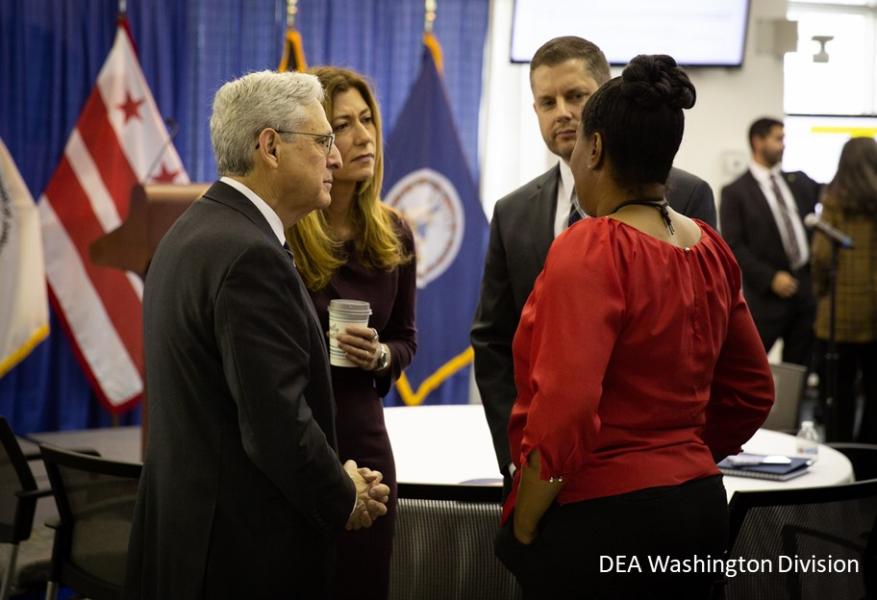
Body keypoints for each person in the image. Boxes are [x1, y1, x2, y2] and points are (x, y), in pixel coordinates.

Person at [493, 55, 775, 599]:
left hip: (603, 516)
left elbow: (565, 411)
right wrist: (681, 454)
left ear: (595, 148)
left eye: (579, 145)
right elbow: (753, 391)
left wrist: (525, 522)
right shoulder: (710, 249)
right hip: (698, 509)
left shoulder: (591, 246)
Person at [125, 71, 391, 600]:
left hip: (188, 543)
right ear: (269, 146)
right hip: (238, 558)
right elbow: (276, 426)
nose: (336, 158)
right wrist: (345, 495)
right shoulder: (250, 256)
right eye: (323, 141)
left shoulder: (193, 230)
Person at [471, 36, 717, 494]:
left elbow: (707, 337)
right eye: (547, 101)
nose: (561, 111)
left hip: (651, 471)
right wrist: (519, 459)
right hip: (539, 465)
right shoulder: (513, 210)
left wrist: (697, 450)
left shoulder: (684, 197)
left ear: (606, 97)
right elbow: (492, 340)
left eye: (576, 96)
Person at [286, 66, 416, 600]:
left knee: (363, 581)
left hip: (365, 435)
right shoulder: (286, 232)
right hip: (299, 434)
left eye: (368, 120)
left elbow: (407, 337)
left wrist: (381, 356)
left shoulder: (393, 231)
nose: (364, 136)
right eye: (343, 125)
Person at [720, 117, 821, 367]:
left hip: (805, 293)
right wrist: (770, 277)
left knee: (798, 369)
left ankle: (790, 409)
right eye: (778, 139)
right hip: (767, 298)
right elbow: (733, 245)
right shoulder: (735, 192)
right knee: (749, 366)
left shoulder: (797, 182)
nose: (783, 145)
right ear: (758, 141)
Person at [811, 136, 877, 442]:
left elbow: (822, 254)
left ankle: (842, 452)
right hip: (874, 313)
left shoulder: (835, 199)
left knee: (838, 391)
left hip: (840, 313)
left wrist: (820, 290)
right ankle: (869, 459)